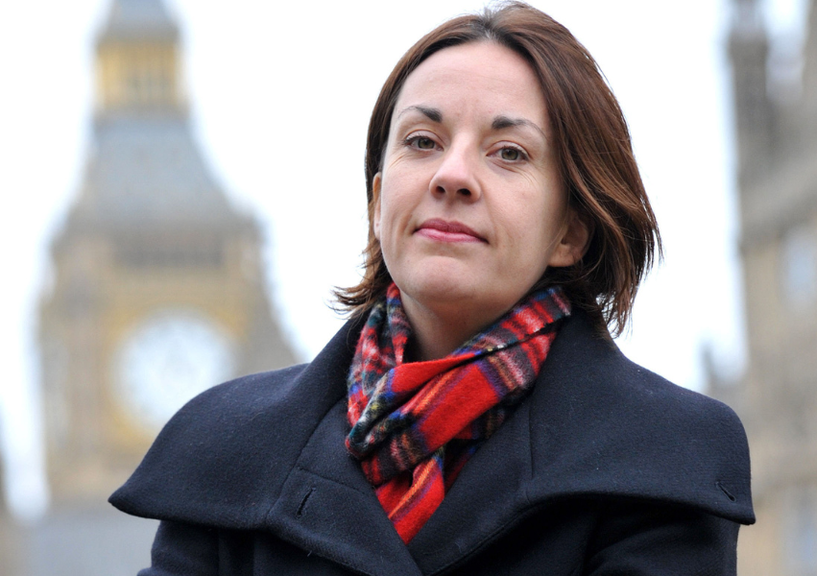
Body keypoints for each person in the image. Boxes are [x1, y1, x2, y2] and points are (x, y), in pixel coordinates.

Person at [110, 2, 755, 574]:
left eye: (508, 152)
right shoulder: (226, 455)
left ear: (570, 232)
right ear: (377, 203)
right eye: (423, 141)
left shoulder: (660, 460)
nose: (452, 174)